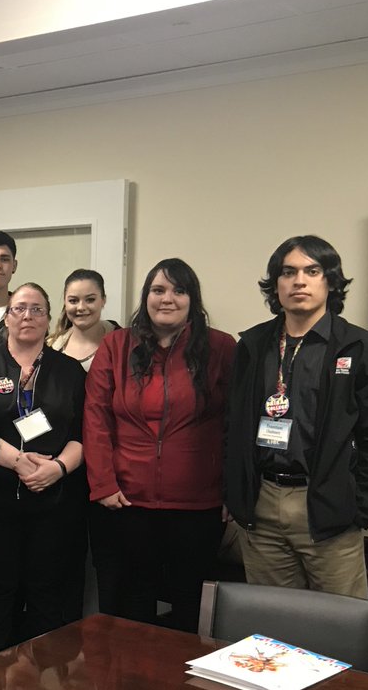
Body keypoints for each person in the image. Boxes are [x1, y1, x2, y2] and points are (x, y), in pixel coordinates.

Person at [225, 236, 368, 599]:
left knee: (339, 624)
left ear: (330, 281)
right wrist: (236, 493)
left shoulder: (363, 349)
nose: (299, 281)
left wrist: (362, 509)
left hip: (327, 510)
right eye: (288, 272)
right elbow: (233, 424)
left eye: (312, 271)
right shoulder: (253, 346)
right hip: (262, 504)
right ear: (276, 284)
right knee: (273, 622)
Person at [83, 258, 235, 632]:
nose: (167, 299)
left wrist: (234, 491)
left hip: (198, 504)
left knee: (190, 606)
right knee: (132, 604)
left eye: (179, 290)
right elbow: (96, 417)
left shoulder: (221, 347)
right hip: (126, 502)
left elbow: (235, 423)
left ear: (192, 299)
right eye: (158, 290)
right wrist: (103, 483)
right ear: (145, 297)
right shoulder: (116, 345)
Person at [0, 283, 86, 654]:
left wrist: (58, 468)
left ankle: (42, 674)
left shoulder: (69, 371)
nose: (28, 316)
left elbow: (83, 433)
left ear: (49, 318)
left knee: (46, 592)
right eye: (20, 308)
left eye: (37, 309)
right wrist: (18, 461)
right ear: (8, 317)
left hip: (52, 502)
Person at [47, 268, 120, 616]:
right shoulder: (52, 345)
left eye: (90, 299)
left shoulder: (122, 342)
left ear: (103, 300)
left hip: (109, 465)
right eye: (73, 300)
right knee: (67, 553)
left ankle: (106, 625)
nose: (81, 307)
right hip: (66, 465)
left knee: (108, 556)